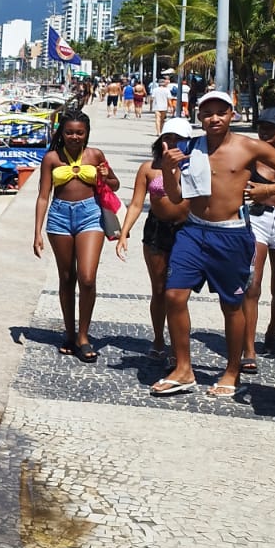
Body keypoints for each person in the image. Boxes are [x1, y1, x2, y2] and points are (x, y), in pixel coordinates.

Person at [153, 90, 275, 397]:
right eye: (207, 113)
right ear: (199, 117)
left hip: (231, 234)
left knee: (232, 305)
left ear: (232, 114)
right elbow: (177, 196)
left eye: (221, 112)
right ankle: (183, 369)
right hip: (193, 231)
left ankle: (232, 371)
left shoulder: (249, 146)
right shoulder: (190, 148)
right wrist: (168, 170)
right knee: (174, 295)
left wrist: (268, 191)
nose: (214, 118)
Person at [32, 109, 117, 363]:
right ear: (62, 132)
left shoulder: (95, 155)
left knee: (87, 277)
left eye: (80, 132)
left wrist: (105, 177)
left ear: (87, 133)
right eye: (69, 132)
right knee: (67, 277)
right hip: (59, 217)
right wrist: (37, 232)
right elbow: (43, 195)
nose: (74, 137)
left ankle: (83, 336)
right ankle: (70, 334)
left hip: (90, 214)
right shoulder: (51, 158)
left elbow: (114, 184)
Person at [116, 121, 193, 368]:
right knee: (159, 289)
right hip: (157, 230)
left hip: (186, 230)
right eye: (168, 138)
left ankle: (177, 347)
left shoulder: (194, 166)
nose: (172, 143)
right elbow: (137, 203)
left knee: (178, 294)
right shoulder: (149, 169)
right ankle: (159, 339)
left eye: (179, 139)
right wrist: (124, 232)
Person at [242, 109, 275, 369]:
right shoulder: (252, 155)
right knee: (252, 283)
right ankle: (249, 348)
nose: (264, 131)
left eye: (271, 127)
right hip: (257, 219)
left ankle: (273, 330)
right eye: (262, 125)